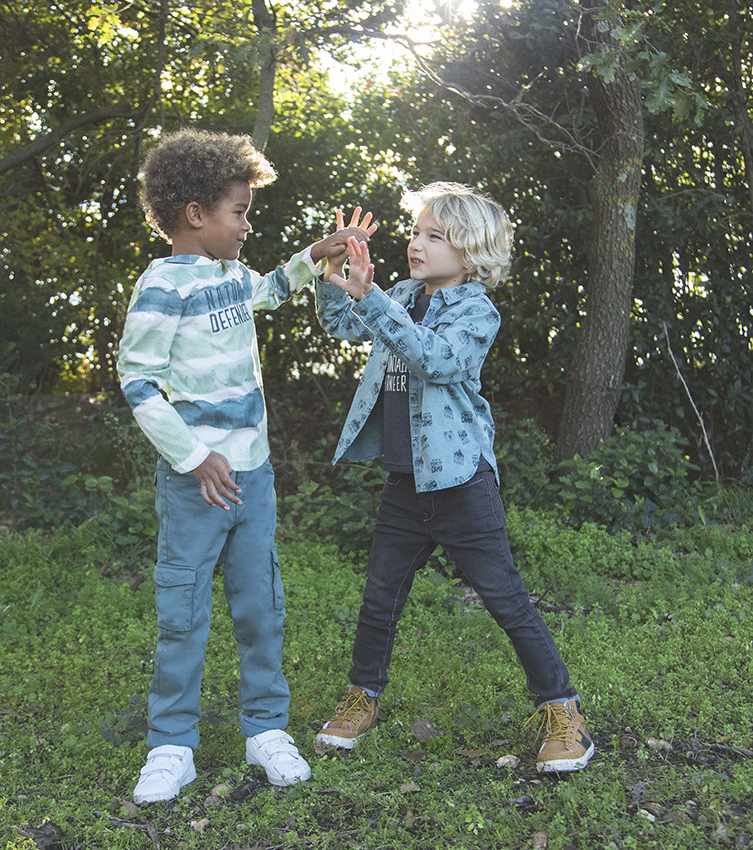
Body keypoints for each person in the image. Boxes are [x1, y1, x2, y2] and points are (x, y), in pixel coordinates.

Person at [117, 128, 375, 803]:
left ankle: (266, 727)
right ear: (194, 214)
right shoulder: (162, 285)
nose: (247, 223)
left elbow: (270, 290)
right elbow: (138, 382)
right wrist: (195, 457)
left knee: (261, 607)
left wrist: (316, 254)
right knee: (184, 613)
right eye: (239, 211)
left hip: (253, 481)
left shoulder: (232, 278)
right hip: (194, 484)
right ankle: (172, 744)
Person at [313, 182, 594, 773]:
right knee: (379, 597)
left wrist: (375, 303)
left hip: (462, 483)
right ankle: (361, 696)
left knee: (505, 599)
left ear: (471, 254)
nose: (417, 244)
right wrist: (335, 268)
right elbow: (343, 324)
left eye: (435, 237)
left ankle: (563, 711)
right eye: (416, 232)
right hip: (403, 482)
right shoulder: (403, 293)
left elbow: (436, 360)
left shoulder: (475, 310)